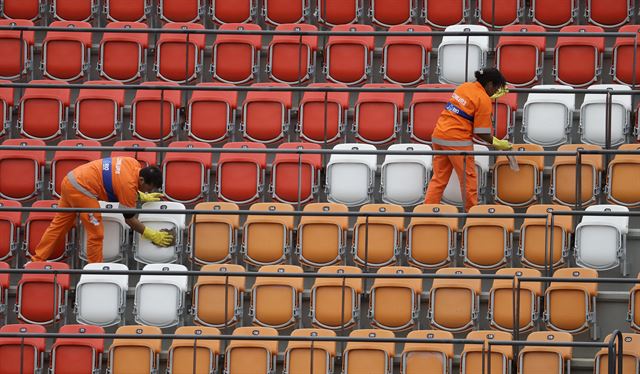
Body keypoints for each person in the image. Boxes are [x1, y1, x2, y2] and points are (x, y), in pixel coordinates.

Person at [32, 156, 175, 263]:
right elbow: (130, 220)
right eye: (149, 188)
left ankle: (37, 260)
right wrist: (151, 234)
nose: (150, 191)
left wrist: (141, 196)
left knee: (59, 225)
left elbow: (116, 183)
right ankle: (96, 272)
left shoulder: (133, 163)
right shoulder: (128, 186)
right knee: (96, 234)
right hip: (82, 190)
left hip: (70, 180)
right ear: (142, 180)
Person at [424, 68, 512, 212]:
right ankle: (472, 215)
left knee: (439, 178)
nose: (496, 91)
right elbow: (481, 133)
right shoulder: (483, 100)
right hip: (457, 142)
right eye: (496, 87)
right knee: (468, 179)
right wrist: (498, 143)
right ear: (489, 85)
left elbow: (470, 103)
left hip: (439, 136)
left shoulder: (464, 87)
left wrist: (487, 98)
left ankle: (426, 213)